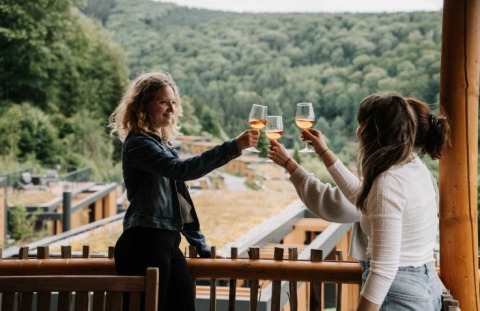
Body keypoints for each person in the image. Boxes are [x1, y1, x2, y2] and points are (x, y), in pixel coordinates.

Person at [268, 92, 449, 311]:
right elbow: (361, 197)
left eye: (360, 125)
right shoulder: (414, 169)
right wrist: (323, 151)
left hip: (398, 291)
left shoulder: (388, 181)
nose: (357, 131)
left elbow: (383, 269)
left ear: (373, 132)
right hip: (426, 281)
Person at [108, 71, 259, 311]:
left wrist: (202, 247)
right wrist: (233, 147)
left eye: (173, 102)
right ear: (143, 105)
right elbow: (182, 170)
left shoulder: (162, 146)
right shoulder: (139, 143)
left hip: (167, 243)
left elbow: (181, 204)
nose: (170, 108)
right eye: (162, 102)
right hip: (144, 245)